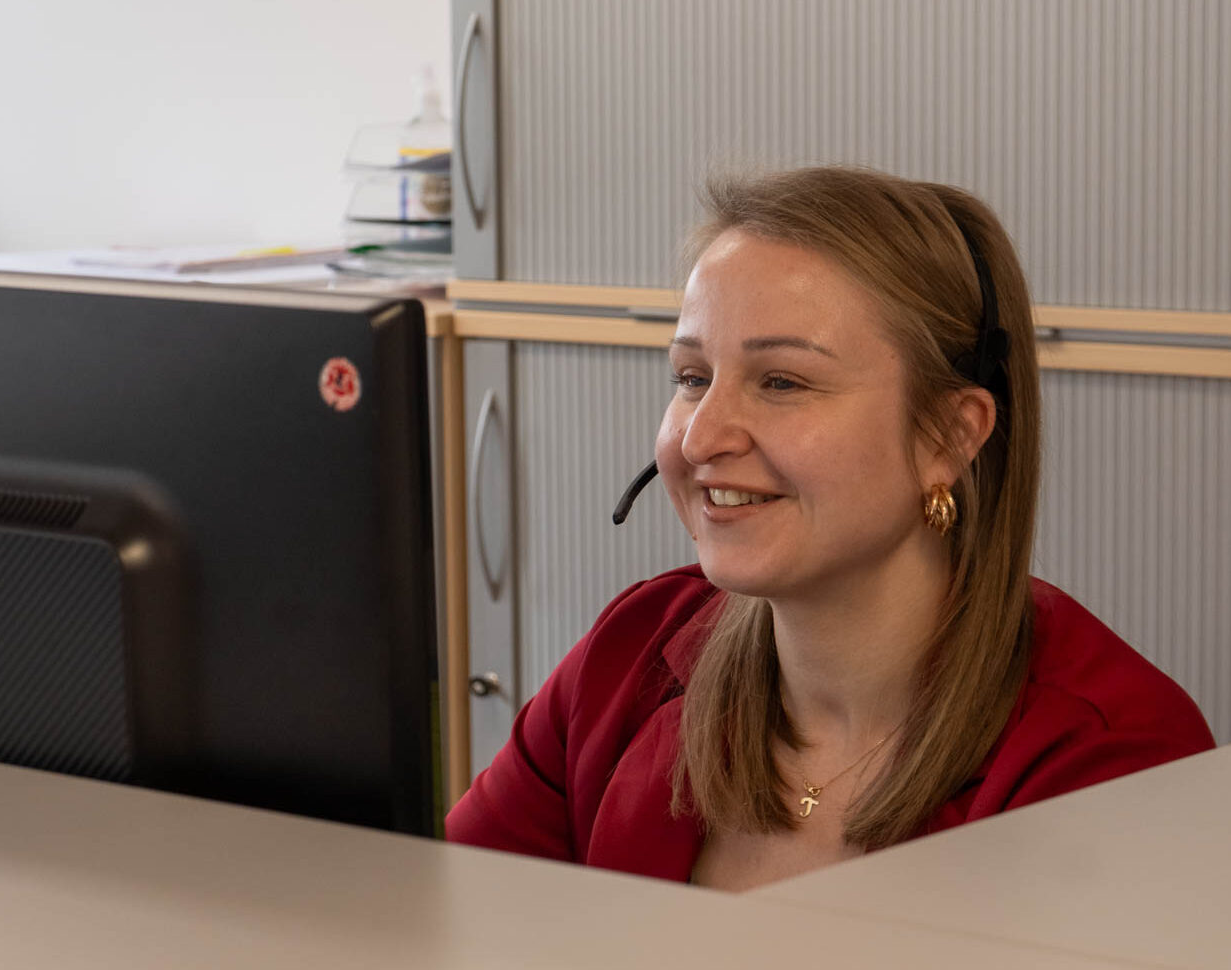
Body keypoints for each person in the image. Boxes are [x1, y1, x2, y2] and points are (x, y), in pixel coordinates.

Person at [445, 166, 1215, 891]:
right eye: (690, 378)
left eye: (781, 381)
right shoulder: (628, 655)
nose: (698, 438)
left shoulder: (1111, 758)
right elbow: (450, 926)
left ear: (947, 435)